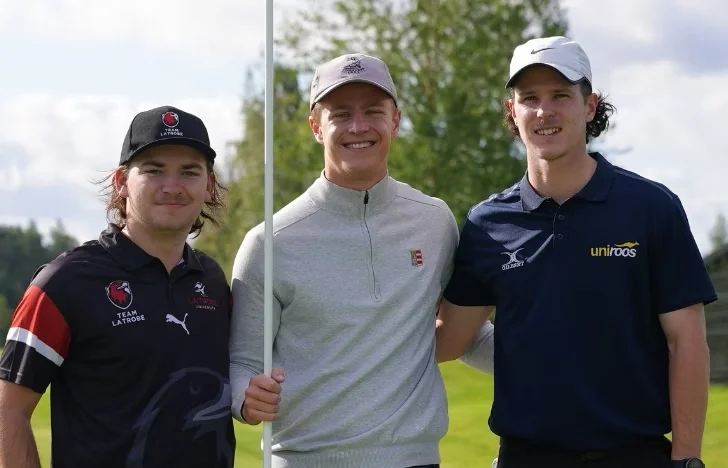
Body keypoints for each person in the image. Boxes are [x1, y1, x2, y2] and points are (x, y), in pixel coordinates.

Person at [435, 36, 716, 468]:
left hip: (634, 456)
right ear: (512, 111)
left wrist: (687, 459)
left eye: (560, 95)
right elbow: (449, 340)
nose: (544, 111)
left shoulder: (652, 208)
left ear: (590, 106)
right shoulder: (487, 223)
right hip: (524, 458)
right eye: (529, 98)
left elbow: (687, 341)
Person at [229, 53, 494, 468]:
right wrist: (244, 397)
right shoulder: (269, 242)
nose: (358, 127)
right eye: (340, 114)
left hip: (415, 461)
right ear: (316, 127)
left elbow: (464, 333)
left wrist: (558, 362)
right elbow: (242, 361)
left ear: (395, 121)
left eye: (373, 111)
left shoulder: (435, 221)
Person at [0, 106, 236, 468]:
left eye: (189, 172)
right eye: (154, 170)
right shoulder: (65, 282)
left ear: (208, 186)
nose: (172, 186)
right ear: (122, 181)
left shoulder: (213, 281)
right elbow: (8, 410)